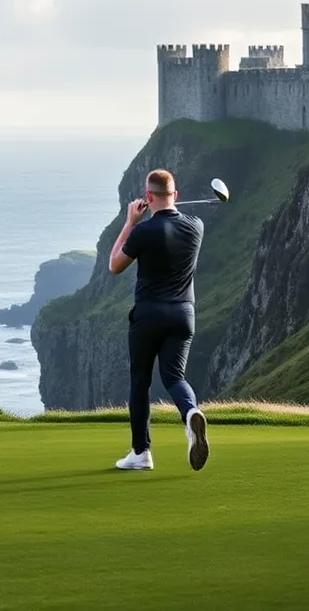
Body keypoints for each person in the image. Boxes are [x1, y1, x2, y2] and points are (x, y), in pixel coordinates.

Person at [107, 168, 209, 472]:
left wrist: (129, 223)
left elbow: (114, 265)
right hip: (183, 314)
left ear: (147, 197)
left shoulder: (143, 231)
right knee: (174, 377)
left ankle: (141, 453)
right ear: (176, 195)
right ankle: (190, 413)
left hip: (149, 314)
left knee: (140, 381)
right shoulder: (196, 225)